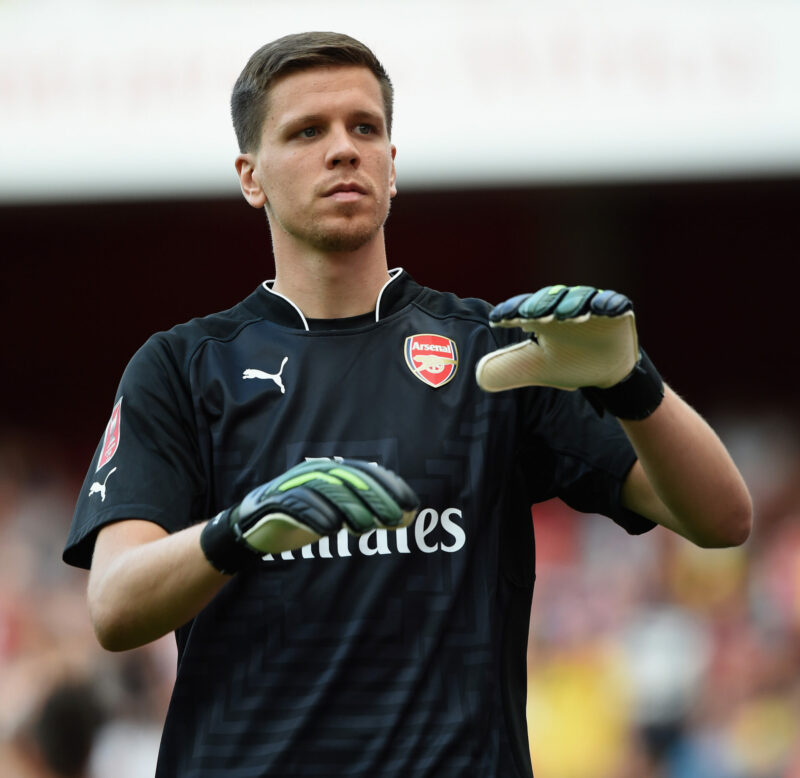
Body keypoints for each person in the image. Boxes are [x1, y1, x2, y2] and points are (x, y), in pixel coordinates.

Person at [63, 31, 752, 778]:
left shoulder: (496, 354)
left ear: (393, 164)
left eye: (366, 128)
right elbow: (114, 605)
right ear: (250, 176)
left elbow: (723, 519)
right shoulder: (186, 367)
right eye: (306, 131)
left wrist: (632, 383)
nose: (343, 149)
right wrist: (242, 530)